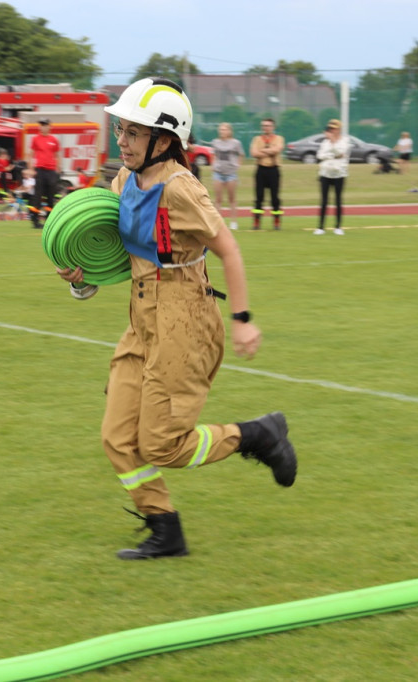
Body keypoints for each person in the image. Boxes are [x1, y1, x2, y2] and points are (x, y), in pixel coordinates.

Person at [55, 77, 297, 561]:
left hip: (185, 316)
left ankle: (255, 435)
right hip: (142, 317)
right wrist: (81, 279)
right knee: (118, 438)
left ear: (164, 140)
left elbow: (228, 248)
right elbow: (118, 259)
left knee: (163, 445)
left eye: (132, 133)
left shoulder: (181, 188)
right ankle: (165, 528)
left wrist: (243, 319)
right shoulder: (123, 181)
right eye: (120, 130)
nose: (120, 140)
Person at [314, 119, 350, 235]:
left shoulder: (345, 141)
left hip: (339, 174)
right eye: (330, 128)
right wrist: (331, 155)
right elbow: (320, 155)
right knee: (324, 200)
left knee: (338, 200)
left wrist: (333, 143)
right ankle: (321, 227)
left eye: (333, 128)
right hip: (325, 173)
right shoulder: (325, 142)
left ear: (338, 129)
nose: (331, 131)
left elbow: (341, 153)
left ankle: (338, 227)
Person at [248, 118, 285, 230]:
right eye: (264, 126)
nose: (265, 128)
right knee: (259, 197)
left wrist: (263, 151)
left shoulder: (279, 139)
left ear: (273, 127)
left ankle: (276, 221)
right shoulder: (257, 139)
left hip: (274, 169)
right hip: (261, 169)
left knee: (275, 197)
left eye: (268, 125)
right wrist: (269, 151)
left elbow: (277, 150)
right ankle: (257, 221)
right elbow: (254, 153)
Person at [210, 122, 244, 230]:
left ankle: (233, 222)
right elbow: (213, 154)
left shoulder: (235, 143)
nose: (222, 131)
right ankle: (218, 222)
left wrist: (237, 165)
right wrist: (213, 164)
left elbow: (241, 154)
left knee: (232, 198)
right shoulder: (215, 142)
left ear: (229, 131)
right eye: (221, 129)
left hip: (231, 173)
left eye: (224, 129)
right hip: (218, 173)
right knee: (218, 199)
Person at [29, 118, 61, 229]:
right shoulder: (35, 139)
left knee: (50, 196)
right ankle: (35, 220)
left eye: (44, 125)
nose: (42, 127)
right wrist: (31, 169)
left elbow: (57, 155)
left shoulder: (54, 139)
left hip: (51, 171)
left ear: (49, 126)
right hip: (40, 170)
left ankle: (49, 219)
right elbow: (31, 154)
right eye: (41, 125)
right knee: (38, 195)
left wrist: (58, 168)